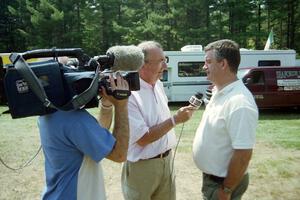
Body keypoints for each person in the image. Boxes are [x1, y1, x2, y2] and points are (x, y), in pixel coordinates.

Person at [122, 41, 196, 200]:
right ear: (142, 65)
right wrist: (175, 120)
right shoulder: (129, 94)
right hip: (142, 168)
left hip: (166, 161)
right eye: (161, 61)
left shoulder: (159, 85)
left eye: (165, 59)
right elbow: (142, 139)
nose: (165, 65)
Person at [38, 73, 130, 200]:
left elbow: (97, 139)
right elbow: (119, 154)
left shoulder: (51, 113)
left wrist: (106, 105)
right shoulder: (73, 119)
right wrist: (121, 105)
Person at [192, 39, 258, 200]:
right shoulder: (220, 91)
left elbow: (243, 154)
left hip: (223, 184)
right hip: (214, 180)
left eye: (208, 62)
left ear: (223, 64)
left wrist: (226, 190)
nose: (204, 66)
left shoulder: (239, 102)